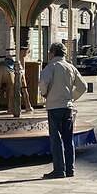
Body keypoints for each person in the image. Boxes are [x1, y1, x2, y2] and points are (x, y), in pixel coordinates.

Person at [38, 42, 86, 179]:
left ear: (52, 53)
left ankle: (59, 170)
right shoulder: (70, 67)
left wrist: (44, 93)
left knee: (56, 139)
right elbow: (83, 86)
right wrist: (72, 97)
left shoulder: (51, 67)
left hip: (54, 106)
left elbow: (43, 83)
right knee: (68, 139)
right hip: (67, 107)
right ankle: (70, 169)